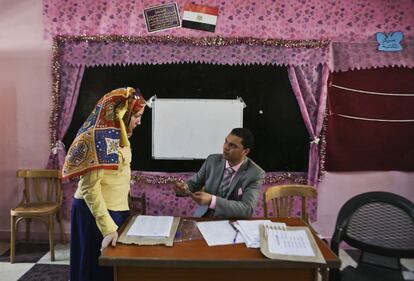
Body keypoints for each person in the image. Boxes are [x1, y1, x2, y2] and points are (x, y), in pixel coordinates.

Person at [62, 87, 146, 281]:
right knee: (94, 269)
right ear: (123, 114)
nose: (139, 122)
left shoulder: (120, 134)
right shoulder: (100, 138)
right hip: (95, 214)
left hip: (114, 210)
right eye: (137, 116)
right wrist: (108, 228)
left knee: (111, 271)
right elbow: (89, 188)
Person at [174, 128, 265, 218]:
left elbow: (247, 209)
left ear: (245, 151)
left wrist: (212, 200)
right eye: (226, 142)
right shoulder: (212, 160)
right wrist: (185, 187)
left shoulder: (255, 173)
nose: (226, 147)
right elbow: (194, 183)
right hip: (204, 217)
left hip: (232, 221)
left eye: (232, 146)